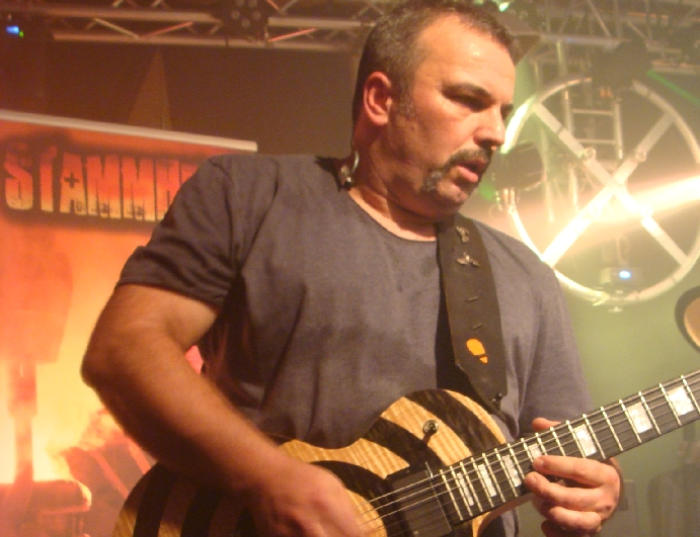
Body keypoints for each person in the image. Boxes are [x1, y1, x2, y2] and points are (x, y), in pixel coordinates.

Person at [81, 1, 621, 536]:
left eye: (502, 110)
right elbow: (124, 348)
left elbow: (572, 457)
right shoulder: (247, 196)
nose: (496, 133)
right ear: (381, 99)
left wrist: (598, 490)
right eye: (468, 100)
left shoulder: (526, 276)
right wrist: (267, 479)